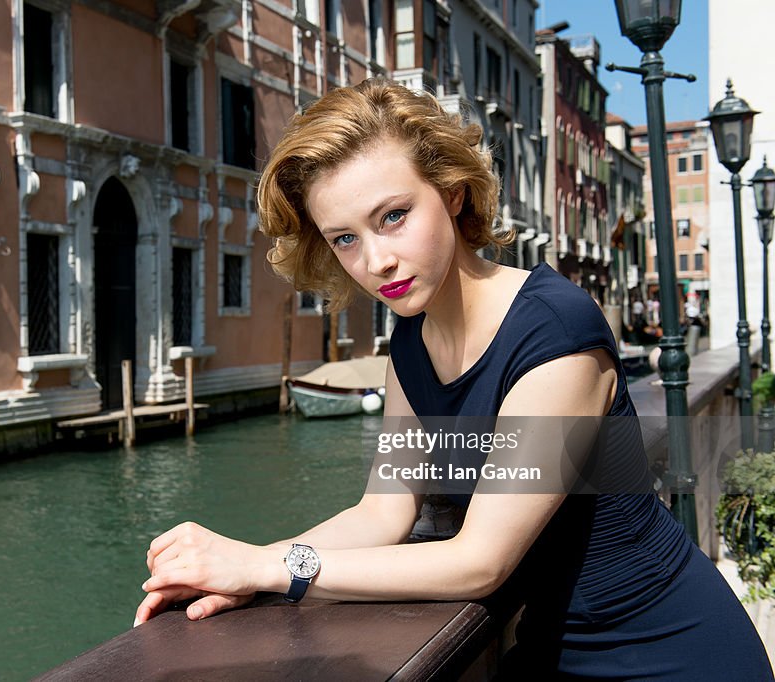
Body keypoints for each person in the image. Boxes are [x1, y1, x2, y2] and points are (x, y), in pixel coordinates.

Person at [133, 79, 773, 679]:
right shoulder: (410, 345)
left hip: (666, 648)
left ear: (454, 191)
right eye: (345, 239)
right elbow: (384, 512)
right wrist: (242, 564)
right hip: (549, 643)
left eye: (393, 216)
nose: (376, 260)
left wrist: (267, 567)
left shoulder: (556, 334)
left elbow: (479, 562)